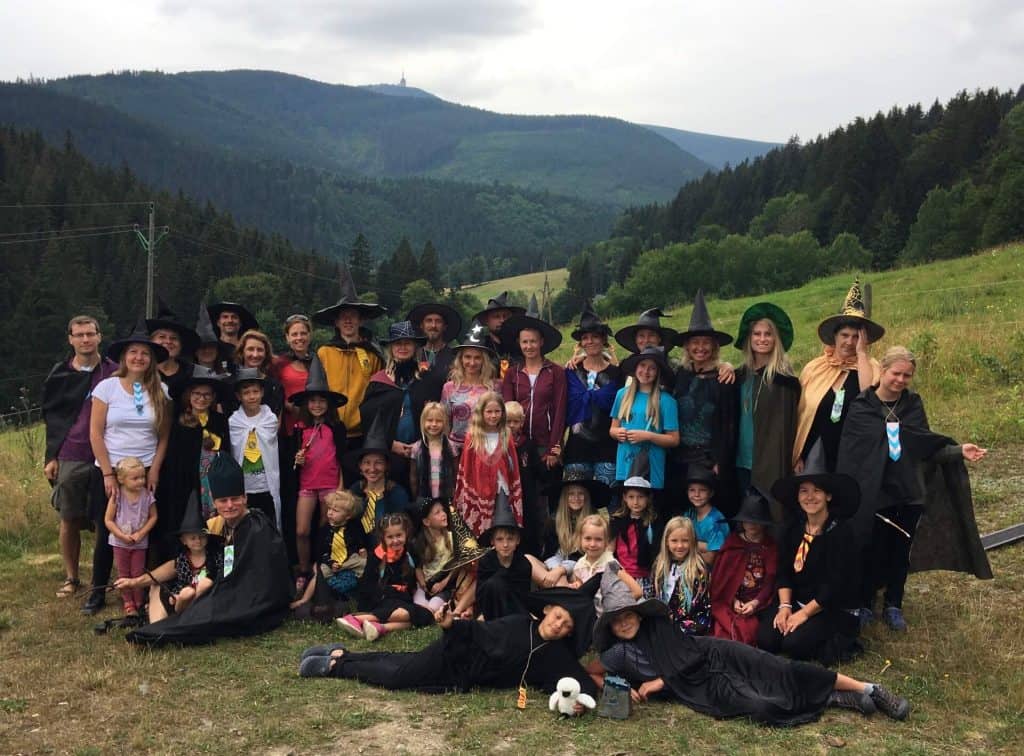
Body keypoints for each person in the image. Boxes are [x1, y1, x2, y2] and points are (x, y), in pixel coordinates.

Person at [587, 577, 911, 725]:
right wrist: (621, 687)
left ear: (639, 614)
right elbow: (591, 673)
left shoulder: (659, 627)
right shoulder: (620, 654)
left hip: (714, 653)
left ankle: (870, 689)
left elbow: (689, 656)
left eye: (628, 615)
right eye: (617, 620)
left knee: (778, 669)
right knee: (760, 704)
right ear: (610, 627)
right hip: (702, 685)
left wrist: (659, 682)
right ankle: (835, 698)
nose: (625, 623)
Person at [837, 346, 991, 631]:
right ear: (883, 370)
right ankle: (866, 602)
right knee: (871, 549)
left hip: (908, 493)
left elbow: (925, 447)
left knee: (900, 551)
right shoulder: (862, 407)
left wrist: (958, 451)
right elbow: (852, 456)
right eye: (896, 373)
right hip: (874, 495)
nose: (900, 380)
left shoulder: (912, 405)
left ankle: (894, 604)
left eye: (907, 375)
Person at [299, 583, 602, 710]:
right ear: (547, 610)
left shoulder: (557, 656)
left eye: (567, 626)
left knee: (402, 662)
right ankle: (337, 665)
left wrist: (579, 702)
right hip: (457, 657)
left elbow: (583, 684)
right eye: (558, 617)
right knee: (398, 675)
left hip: (462, 679)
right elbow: (477, 631)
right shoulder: (518, 623)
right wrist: (449, 624)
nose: (559, 625)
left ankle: (342, 654)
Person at [127, 453, 294, 645]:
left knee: (207, 609)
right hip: (225, 588)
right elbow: (183, 562)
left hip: (252, 599)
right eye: (223, 500)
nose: (229, 505)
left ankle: (163, 631)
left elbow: (257, 578)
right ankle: (157, 629)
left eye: (235, 499)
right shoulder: (219, 525)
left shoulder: (257, 527)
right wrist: (137, 581)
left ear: (245, 498)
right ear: (214, 502)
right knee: (161, 589)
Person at [85, 318, 171, 615]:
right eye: (133, 352)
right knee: (107, 530)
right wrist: (108, 473)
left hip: (145, 470)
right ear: (124, 357)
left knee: (148, 531)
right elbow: (95, 433)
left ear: (152, 360)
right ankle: (98, 590)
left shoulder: (161, 391)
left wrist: (155, 470)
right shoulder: (107, 388)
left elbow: (163, 436)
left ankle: (146, 589)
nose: (139, 358)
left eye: (145, 353)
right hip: (112, 470)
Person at [756, 444, 862, 665]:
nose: (810, 497)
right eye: (804, 491)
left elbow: (835, 585)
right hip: (796, 600)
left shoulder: (841, 533)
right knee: (766, 640)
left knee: (795, 645)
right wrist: (785, 607)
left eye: (817, 491)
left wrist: (804, 614)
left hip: (826, 607)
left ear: (828, 495)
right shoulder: (793, 528)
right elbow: (784, 570)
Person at [42, 314, 117, 598]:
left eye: (90, 334)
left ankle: (103, 577)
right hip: (72, 454)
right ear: (70, 339)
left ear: (99, 336)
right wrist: (51, 456)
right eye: (80, 335)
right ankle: (72, 578)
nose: (86, 339)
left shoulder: (114, 372)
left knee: (106, 519)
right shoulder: (60, 374)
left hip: (108, 455)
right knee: (70, 518)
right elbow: (52, 419)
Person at [794, 280, 883, 472]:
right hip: (816, 451)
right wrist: (800, 453)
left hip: (854, 451)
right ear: (835, 337)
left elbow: (869, 396)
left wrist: (861, 354)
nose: (850, 342)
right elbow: (801, 413)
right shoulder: (815, 368)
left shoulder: (871, 367)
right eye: (845, 335)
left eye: (856, 337)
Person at [671, 290, 738, 513]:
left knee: (710, 510)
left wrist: (721, 460)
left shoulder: (724, 378)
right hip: (679, 457)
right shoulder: (680, 375)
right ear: (687, 346)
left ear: (714, 346)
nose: (700, 347)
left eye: (706, 342)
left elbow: (729, 423)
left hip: (709, 458)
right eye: (695, 342)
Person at [733, 303, 800, 523]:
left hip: (770, 461)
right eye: (757, 333)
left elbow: (789, 425)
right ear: (749, 338)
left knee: (770, 516)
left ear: (776, 339)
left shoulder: (784, 382)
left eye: (768, 334)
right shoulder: (739, 376)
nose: (762, 339)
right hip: (740, 461)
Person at [157, 364, 232, 561]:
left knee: (215, 528)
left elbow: (225, 453)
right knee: (181, 525)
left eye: (207, 394)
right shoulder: (178, 421)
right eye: (197, 393)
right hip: (181, 485)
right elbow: (172, 456)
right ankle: (180, 568)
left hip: (210, 486)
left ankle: (216, 567)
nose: (201, 398)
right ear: (188, 395)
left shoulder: (219, 421)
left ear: (213, 397)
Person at [113, 493, 223, 624]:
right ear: (184, 541)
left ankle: (191, 617)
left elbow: (222, 577)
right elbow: (164, 577)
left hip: (207, 600)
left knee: (205, 584)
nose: (198, 541)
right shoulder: (182, 560)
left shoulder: (215, 556)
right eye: (193, 538)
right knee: (181, 592)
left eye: (202, 537)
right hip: (181, 600)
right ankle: (168, 622)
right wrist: (132, 582)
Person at [360, 321, 444, 491]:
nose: (403, 347)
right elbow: (369, 419)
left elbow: (440, 414)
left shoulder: (429, 380)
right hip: (389, 452)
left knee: (423, 494)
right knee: (394, 494)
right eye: (398, 343)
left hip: (424, 450)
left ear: (415, 347)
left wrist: (421, 444)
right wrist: (390, 443)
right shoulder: (379, 382)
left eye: (407, 343)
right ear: (391, 348)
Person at [290, 355, 349, 594]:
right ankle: (304, 569)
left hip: (330, 485)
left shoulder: (336, 427)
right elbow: (292, 460)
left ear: (328, 404)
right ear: (306, 404)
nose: (317, 405)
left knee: (326, 530)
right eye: (312, 401)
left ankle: (321, 568)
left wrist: (341, 488)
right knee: (301, 530)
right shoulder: (299, 429)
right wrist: (297, 460)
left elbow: (342, 459)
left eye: (321, 401)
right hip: (307, 485)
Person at [313, 270, 386, 448]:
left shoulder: (372, 355)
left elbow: (379, 394)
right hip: (329, 428)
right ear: (336, 322)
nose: (348, 320)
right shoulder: (324, 352)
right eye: (343, 317)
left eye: (352, 316)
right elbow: (316, 392)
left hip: (363, 432)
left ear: (361, 320)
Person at [335, 512, 435, 641]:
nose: (395, 540)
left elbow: (415, 572)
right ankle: (358, 619)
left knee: (425, 615)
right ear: (383, 537)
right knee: (408, 614)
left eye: (399, 535)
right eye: (390, 537)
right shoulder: (377, 556)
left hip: (402, 598)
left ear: (406, 533)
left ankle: (380, 627)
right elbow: (367, 586)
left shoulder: (409, 550)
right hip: (380, 597)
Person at [500, 312, 567, 484]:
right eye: (525, 342)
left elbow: (560, 411)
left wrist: (553, 447)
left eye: (533, 341)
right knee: (523, 489)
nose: (529, 346)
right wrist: (510, 441)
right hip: (519, 443)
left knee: (548, 489)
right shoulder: (512, 373)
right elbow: (508, 410)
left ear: (541, 342)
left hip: (545, 442)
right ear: (519, 343)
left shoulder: (555, 372)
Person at [563, 305, 622, 489]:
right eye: (585, 338)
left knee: (610, 499)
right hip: (577, 449)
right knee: (576, 499)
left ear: (603, 339)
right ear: (581, 343)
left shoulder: (617, 374)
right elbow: (562, 409)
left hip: (608, 449)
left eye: (595, 336)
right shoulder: (571, 372)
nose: (590, 341)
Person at [711, 487, 778, 645]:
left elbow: (770, 581)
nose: (752, 525)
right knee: (723, 630)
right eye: (747, 520)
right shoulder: (733, 543)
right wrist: (733, 600)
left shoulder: (770, 547)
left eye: (757, 521)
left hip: (759, 604)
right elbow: (721, 580)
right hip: (730, 601)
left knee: (751, 631)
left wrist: (755, 603)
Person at [609, 347, 680, 494]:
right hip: (625, 466)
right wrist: (617, 433)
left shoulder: (666, 401)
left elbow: (674, 439)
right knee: (628, 504)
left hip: (651, 468)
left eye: (652, 368)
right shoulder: (622, 395)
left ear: (658, 373)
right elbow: (613, 428)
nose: (646, 371)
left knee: (649, 505)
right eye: (642, 365)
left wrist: (648, 436)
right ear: (636, 368)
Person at [453, 391, 523, 537]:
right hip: (479, 491)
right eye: (489, 412)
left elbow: (513, 466)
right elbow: (467, 468)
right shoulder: (472, 436)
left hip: (502, 490)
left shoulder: (506, 434)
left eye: (497, 411)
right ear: (481, 412)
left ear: (502, 413)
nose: (493, 416)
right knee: (481, 532)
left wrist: (511, 489)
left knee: (501, 528)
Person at [291, 490, 368, 620]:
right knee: (319, 574)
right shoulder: (325, 530)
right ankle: (304, 599)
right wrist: (330, 562)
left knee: (365, 564)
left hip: (349, 560)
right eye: (329, 509)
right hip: (331, 560)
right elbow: (321, 551)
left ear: (348, 516)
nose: (330, 513)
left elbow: (360, 542)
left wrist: (362, 550)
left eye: (335, 511)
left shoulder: (354, 527)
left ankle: (366, 596)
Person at [104, 456, 157, 617]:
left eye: (142, 477)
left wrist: (141, 533)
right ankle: (128, 602)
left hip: (139, 543)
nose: (140, 481)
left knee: (137, 572)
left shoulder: (147, 496)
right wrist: (120, 535)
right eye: (135, 478)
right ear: (121, 479)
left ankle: (139, 601)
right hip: (120, 543)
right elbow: (108, 520)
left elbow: (153, 516)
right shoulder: (117, 496)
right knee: (124, 572)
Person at [228, 368, 281, 528]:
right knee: (244, 526)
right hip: (245, 486)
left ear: (262, 392)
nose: (252, 396)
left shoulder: (270, 419)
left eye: (255, 392)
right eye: (246, 393)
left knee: (268, 525)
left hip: (266, 484)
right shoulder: (233, 422)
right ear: (239, 396)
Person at [530, 478, 608, 587]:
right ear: (564, 497)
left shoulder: (593, 521)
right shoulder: (554, 520)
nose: (576, 498)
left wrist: (562, 570)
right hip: (555, 567)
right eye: (571, 494)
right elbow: (549, 553)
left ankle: (562, 590)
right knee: (528, 559)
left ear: (586, 497)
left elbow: (587, 556)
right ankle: (564, 588)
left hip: (581, 568)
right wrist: (557, 570)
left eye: (581, 494)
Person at [346, 413, 412, 542]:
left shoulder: (397, 493)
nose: (372, 469)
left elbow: (402, 530)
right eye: (367, 463)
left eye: (378, 463)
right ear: (360, 466)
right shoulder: (355, 491)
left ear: (387, 466)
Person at [441, 324, 499, 451]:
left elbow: (500, 421)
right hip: (455, 448)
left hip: (484, 448)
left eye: (477, 358)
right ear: (461, 359)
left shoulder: (494, 387)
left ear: (484, 360)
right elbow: (444, 422)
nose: (472, 363)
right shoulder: (449, 388)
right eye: (467, 357)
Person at [650, 516, 710, 635]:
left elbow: (702, 610)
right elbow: (652, 597)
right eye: (674, 541)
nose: (680, 546)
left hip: (688, 629)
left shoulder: (698, 570)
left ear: (692, 542)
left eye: (685, 541)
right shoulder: (659, 566)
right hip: (661, 625)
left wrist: (677, 628)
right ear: (666, 542)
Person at [474, 510, 533, 619]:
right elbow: (481, 596)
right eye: (500, 539)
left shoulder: (524, 564)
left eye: (510, 539)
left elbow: (523, 598)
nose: (505, 544)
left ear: (517, 540)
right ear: (492, 541)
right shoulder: (486, 562)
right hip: (490, 613)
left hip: (515, 614)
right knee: (494, 583)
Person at [147, 299, 200, 404]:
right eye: (162, 337)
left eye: (174, 338)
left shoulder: (193, 373)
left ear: (181, 345)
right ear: (151, 342)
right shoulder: (141, 371)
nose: (168, 341)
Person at [610, 477, 660, 583]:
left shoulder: (653, 522)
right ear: (624, 497)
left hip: (645, 575)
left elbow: (657, 551)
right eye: (631, 497)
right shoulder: (617, 521)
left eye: (640, 497)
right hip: (621, 574)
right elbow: (610, 550)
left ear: (648, 498)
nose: (636, 502)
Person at [271, 313, 314, 438]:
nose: (299, 338)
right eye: (294, 334)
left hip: (313, 422)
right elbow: (271, 392)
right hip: (287, 425)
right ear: (287, 337)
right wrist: (287, 405)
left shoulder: (317, 362)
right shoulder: (279, 364)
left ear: (309, 335)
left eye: (303, 333)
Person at [409, 402, 458, 500]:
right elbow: (413, 476)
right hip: (424, 497)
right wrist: (415, 497)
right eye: (430, 420)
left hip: (447, 496)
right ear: (423, 422)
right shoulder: (417, 448)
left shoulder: (451, 447)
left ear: (444, 423)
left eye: (438, 421)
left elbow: (456, 473)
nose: (434, 424)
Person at [682, 466, 729, 567]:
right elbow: (680, 542)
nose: (697, 494)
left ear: (711, 493)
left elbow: (710, 558)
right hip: (689, 567)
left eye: (702, 490)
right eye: (692, 490)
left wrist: (691, 544)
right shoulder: (689, 514)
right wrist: (704, 546)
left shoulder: (716, 520)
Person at [471, 291, 526, 375]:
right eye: (496, 316)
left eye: (505, 316)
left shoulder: (521, 345)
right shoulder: (480, 347)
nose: (502, 320)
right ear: (486, 321)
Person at [406, 301, 463, 378]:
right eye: (429, 321)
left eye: (438, 321)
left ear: (444, 327)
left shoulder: (455, 358)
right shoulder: (411, 356)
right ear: (421, 325)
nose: (433, 325)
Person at [235, 330, 285, 416]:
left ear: (266, 353)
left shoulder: (275, 387)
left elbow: (277, 420)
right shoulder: (230, 384)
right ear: (242, 352)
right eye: (250, 349)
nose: (255, 354)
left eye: (260, 350)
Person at [613, 307, 678, 357]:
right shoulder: (627, 367)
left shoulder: (673, 367)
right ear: (636, 339)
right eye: (641, 336)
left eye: (651, 335)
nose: (646, 340)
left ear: (659, 339)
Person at [192, 303, 234, 376]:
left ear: (217, 350)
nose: (207, 350)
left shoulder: (228, 377)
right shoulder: (186, 376)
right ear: (195, 351)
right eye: (202, 347)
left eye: (211, 346)